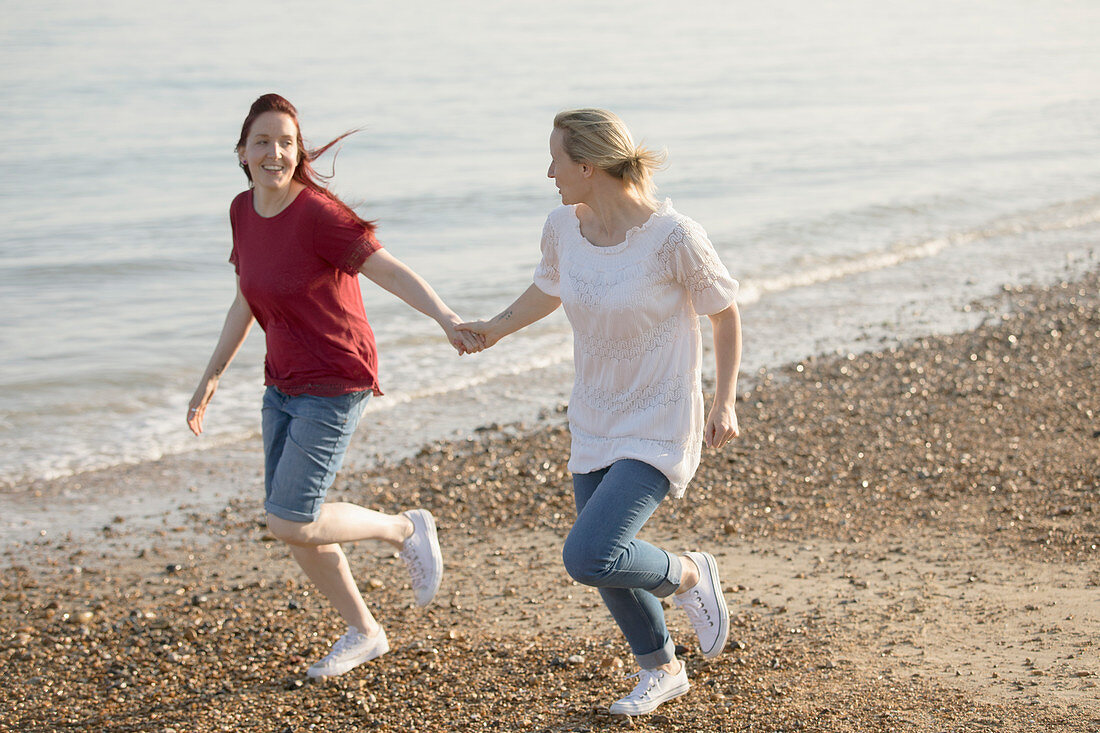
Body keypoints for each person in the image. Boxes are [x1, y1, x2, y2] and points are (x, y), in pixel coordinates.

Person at [457, 109, 742, 716]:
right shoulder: (563, 226)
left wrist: (724, 400)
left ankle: (691, 574)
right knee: (606, 559)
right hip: (594, 414)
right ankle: (662, 669)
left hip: (660, 415)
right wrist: (495, 330)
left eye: (555, 159)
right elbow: (548, 287)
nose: (549, 171)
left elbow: (725, 312)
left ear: (587, 167)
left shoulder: (674, 237)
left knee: (590, 554)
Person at [187, 93, 478, 679]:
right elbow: (247, 293)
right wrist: (211, 375)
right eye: (263, 142)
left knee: (290, 518)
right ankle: (366, 632)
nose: (275, 152)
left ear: (300, 152)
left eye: (287, 143)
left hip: (335, 376)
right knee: (294, 524)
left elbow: (387, 267)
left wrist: (446, 318)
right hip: (283, 382)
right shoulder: (242, 210)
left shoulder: (319, 214)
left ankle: (402, 528)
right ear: (242, 152)